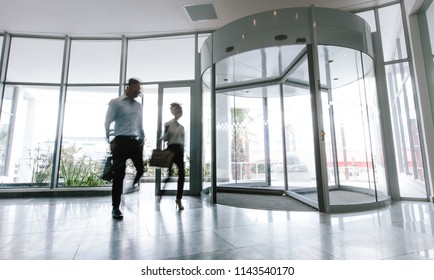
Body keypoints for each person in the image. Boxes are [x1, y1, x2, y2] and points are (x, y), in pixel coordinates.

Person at [104, 78, 145, 219]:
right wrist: (110, 140)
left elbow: (140, 124)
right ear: (129, 87)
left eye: (139, 89)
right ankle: (115, 207)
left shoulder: (138, 106)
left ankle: (132, 186)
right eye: (137, 88)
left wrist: (142, 139)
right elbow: (107, 122)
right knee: (119, 176)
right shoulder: (116, 103)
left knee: (141, 169)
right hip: (120, 142)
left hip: (134, 142)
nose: (139, 91)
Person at [161, 103, 185, 210]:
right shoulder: (168, 123)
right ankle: (162, 191)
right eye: (173, 111)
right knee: (169, 174)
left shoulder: (181, 127)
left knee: (182, 176)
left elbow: (182, 141)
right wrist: (166, 131)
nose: (175, 112)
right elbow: (165, 138)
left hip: (179, 151)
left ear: (180, 111)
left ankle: (179, 199)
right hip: (171, 149)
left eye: (177, 110)